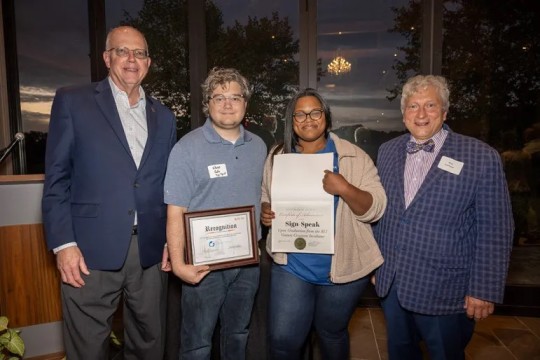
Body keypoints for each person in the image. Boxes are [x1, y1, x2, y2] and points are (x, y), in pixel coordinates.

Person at [41, 26, 176, 359]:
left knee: (150, 341)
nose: (132, 59)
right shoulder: (73, 101)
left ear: (149, 62)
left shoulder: (166, 116)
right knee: (87, 345)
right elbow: (57, 177)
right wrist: (64, 244)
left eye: (140, 53)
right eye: (122, 51)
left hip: (150, 250)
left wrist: (170, 240)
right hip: (88, 249)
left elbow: (167, 183)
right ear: (106, 57)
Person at [373, 75, 514, 359]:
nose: (421, 114)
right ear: (404, 115)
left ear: (445, 112)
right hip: (394, 282)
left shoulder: (479, 156)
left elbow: (496, 228)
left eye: (430, 105)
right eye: (413, 106)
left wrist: (484, 289)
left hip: (445, 289)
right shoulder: (387, 152)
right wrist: (376, 265)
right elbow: (381, 213)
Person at [260, 88, 387, 360]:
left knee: (331, 335)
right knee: (282, 341)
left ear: (326, 118)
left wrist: (345, 188)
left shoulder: (353, 157)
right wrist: (266, 211)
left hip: (342, 270)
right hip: (292, 265)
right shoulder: (277, 155)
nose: (308, 119)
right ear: (291, 121)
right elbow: (266, 196)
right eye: (300, 114)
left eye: (315, 112)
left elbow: (375, 209)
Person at [164, 67, 266, 359]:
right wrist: (178, 262)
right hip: (203, 266)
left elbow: (262, 197)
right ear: (206, 103)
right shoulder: (187, 149)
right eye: (218, 97)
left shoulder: (258, 147)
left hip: (248, 263)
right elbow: (175, 212)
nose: (227, 104)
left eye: (235, 97)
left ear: (246, 103)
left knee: (238, 335)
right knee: (197, 343)